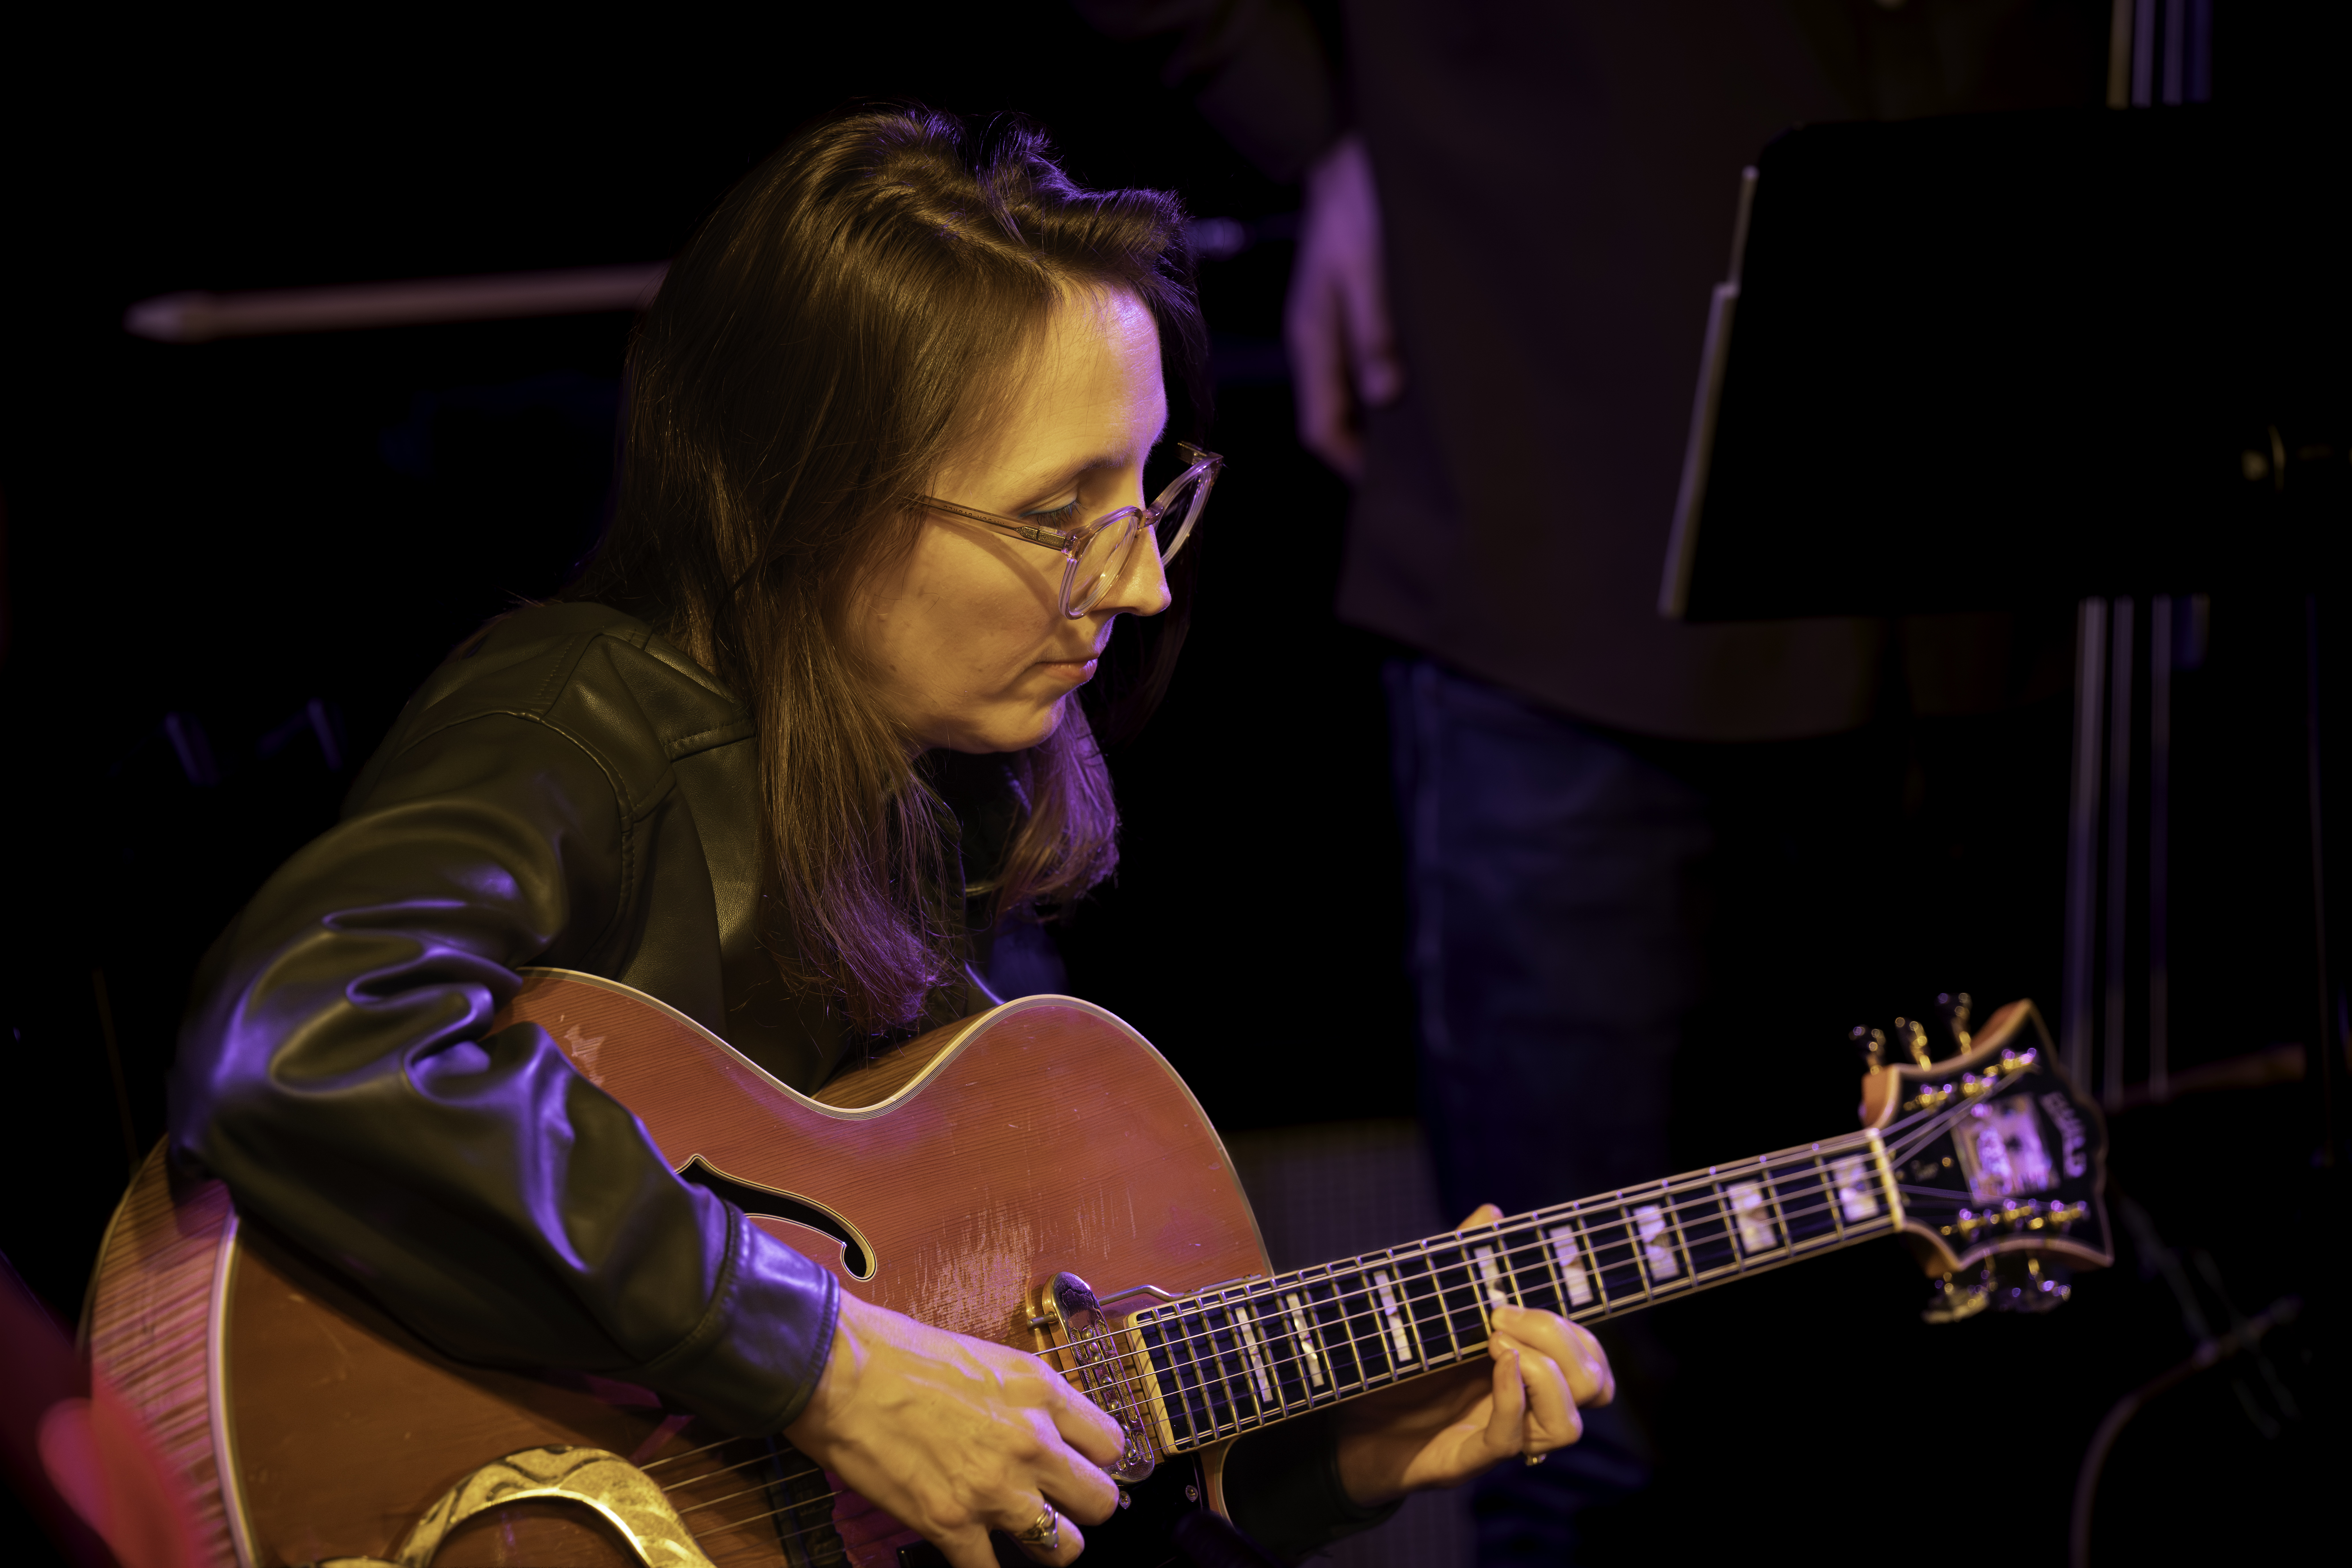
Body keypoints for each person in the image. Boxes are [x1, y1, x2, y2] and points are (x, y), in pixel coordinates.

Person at [166, 107, 1614, 1568]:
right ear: (813, 501)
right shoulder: (578, 725)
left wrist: (1338, 1460)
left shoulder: (941, 803)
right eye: (1061, 514)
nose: (1144, 587)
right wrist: (821, 1361)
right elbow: (302, 1032)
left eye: (1150, 494)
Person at [1076, 1, 2115, 1559]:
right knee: (1574, 1414)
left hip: (2010, 571)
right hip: (1564, 497)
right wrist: (1324, 131)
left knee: (1983, 1403)